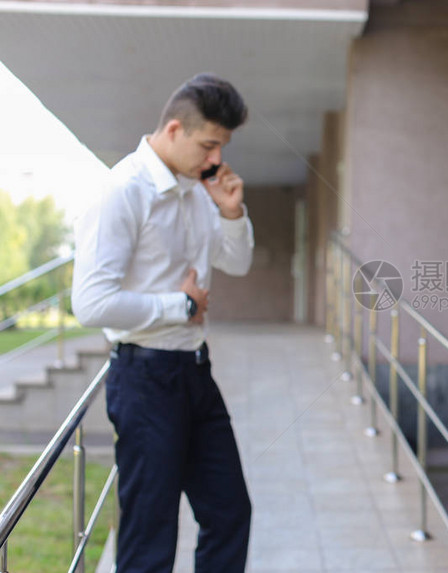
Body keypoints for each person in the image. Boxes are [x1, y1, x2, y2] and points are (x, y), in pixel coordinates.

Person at [72, 73, 254, 573]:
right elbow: (89, 303)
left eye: (221, 146)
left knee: (229, 511)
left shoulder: (198, 193)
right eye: (208, 144)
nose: (215, 158)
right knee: (151, 531)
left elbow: (237, 264)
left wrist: (233, 214)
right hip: (144, 378)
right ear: (174, 129)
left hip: (195, 372)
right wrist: (179, 306)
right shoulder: (123, 190)